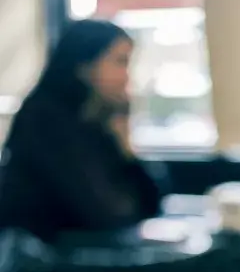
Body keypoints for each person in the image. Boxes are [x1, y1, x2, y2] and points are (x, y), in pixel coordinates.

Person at [0, 19, 168, 243]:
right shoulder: (45, 119)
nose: (126, 77)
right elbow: (104, 215)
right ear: (84, 65)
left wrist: (126, 146)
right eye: (120, 62)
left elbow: (153, 204)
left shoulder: (97, 118)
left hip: (86, 252)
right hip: (49, 263)